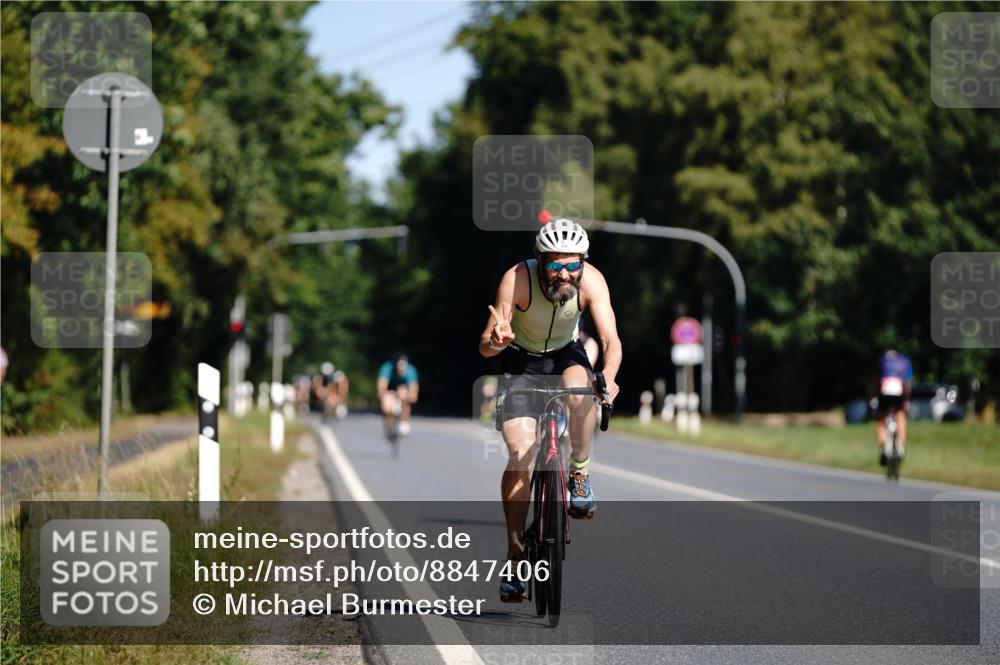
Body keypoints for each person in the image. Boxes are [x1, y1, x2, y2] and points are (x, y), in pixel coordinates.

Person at [478, 217, 622, 602]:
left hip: (565, 355)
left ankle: (579, 474)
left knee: (582, 392)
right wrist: (496, 340)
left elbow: (610, 339)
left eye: (572, 264)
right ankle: (514, 554)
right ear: (540, 260)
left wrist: (607, 376)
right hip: (521, 363)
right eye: (555, 264)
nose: (564, 273)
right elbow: (485, 346)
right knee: (520, 455)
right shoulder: (517, 278)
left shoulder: (591, 281)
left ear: (583, 262)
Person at [874, 349, 913, 464]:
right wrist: (907, 400)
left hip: (884, 395)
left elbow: (876, 382)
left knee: (881, 419)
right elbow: (908, 383)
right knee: (900, 414)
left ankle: (883, 447)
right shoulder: (905, 362)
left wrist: (872, 398)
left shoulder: (882, 361)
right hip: (900, 395)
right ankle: (900, 445)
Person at [377, 354, 419, 435]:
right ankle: (388, 426)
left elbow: (413, 389)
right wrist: (384, 396)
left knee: (403, 392)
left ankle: (404, 420)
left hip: (403, 390)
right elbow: (382, 386)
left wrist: (411, 396)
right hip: (390, 390)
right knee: (387, 406)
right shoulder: (387, 368)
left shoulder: (411, 370)